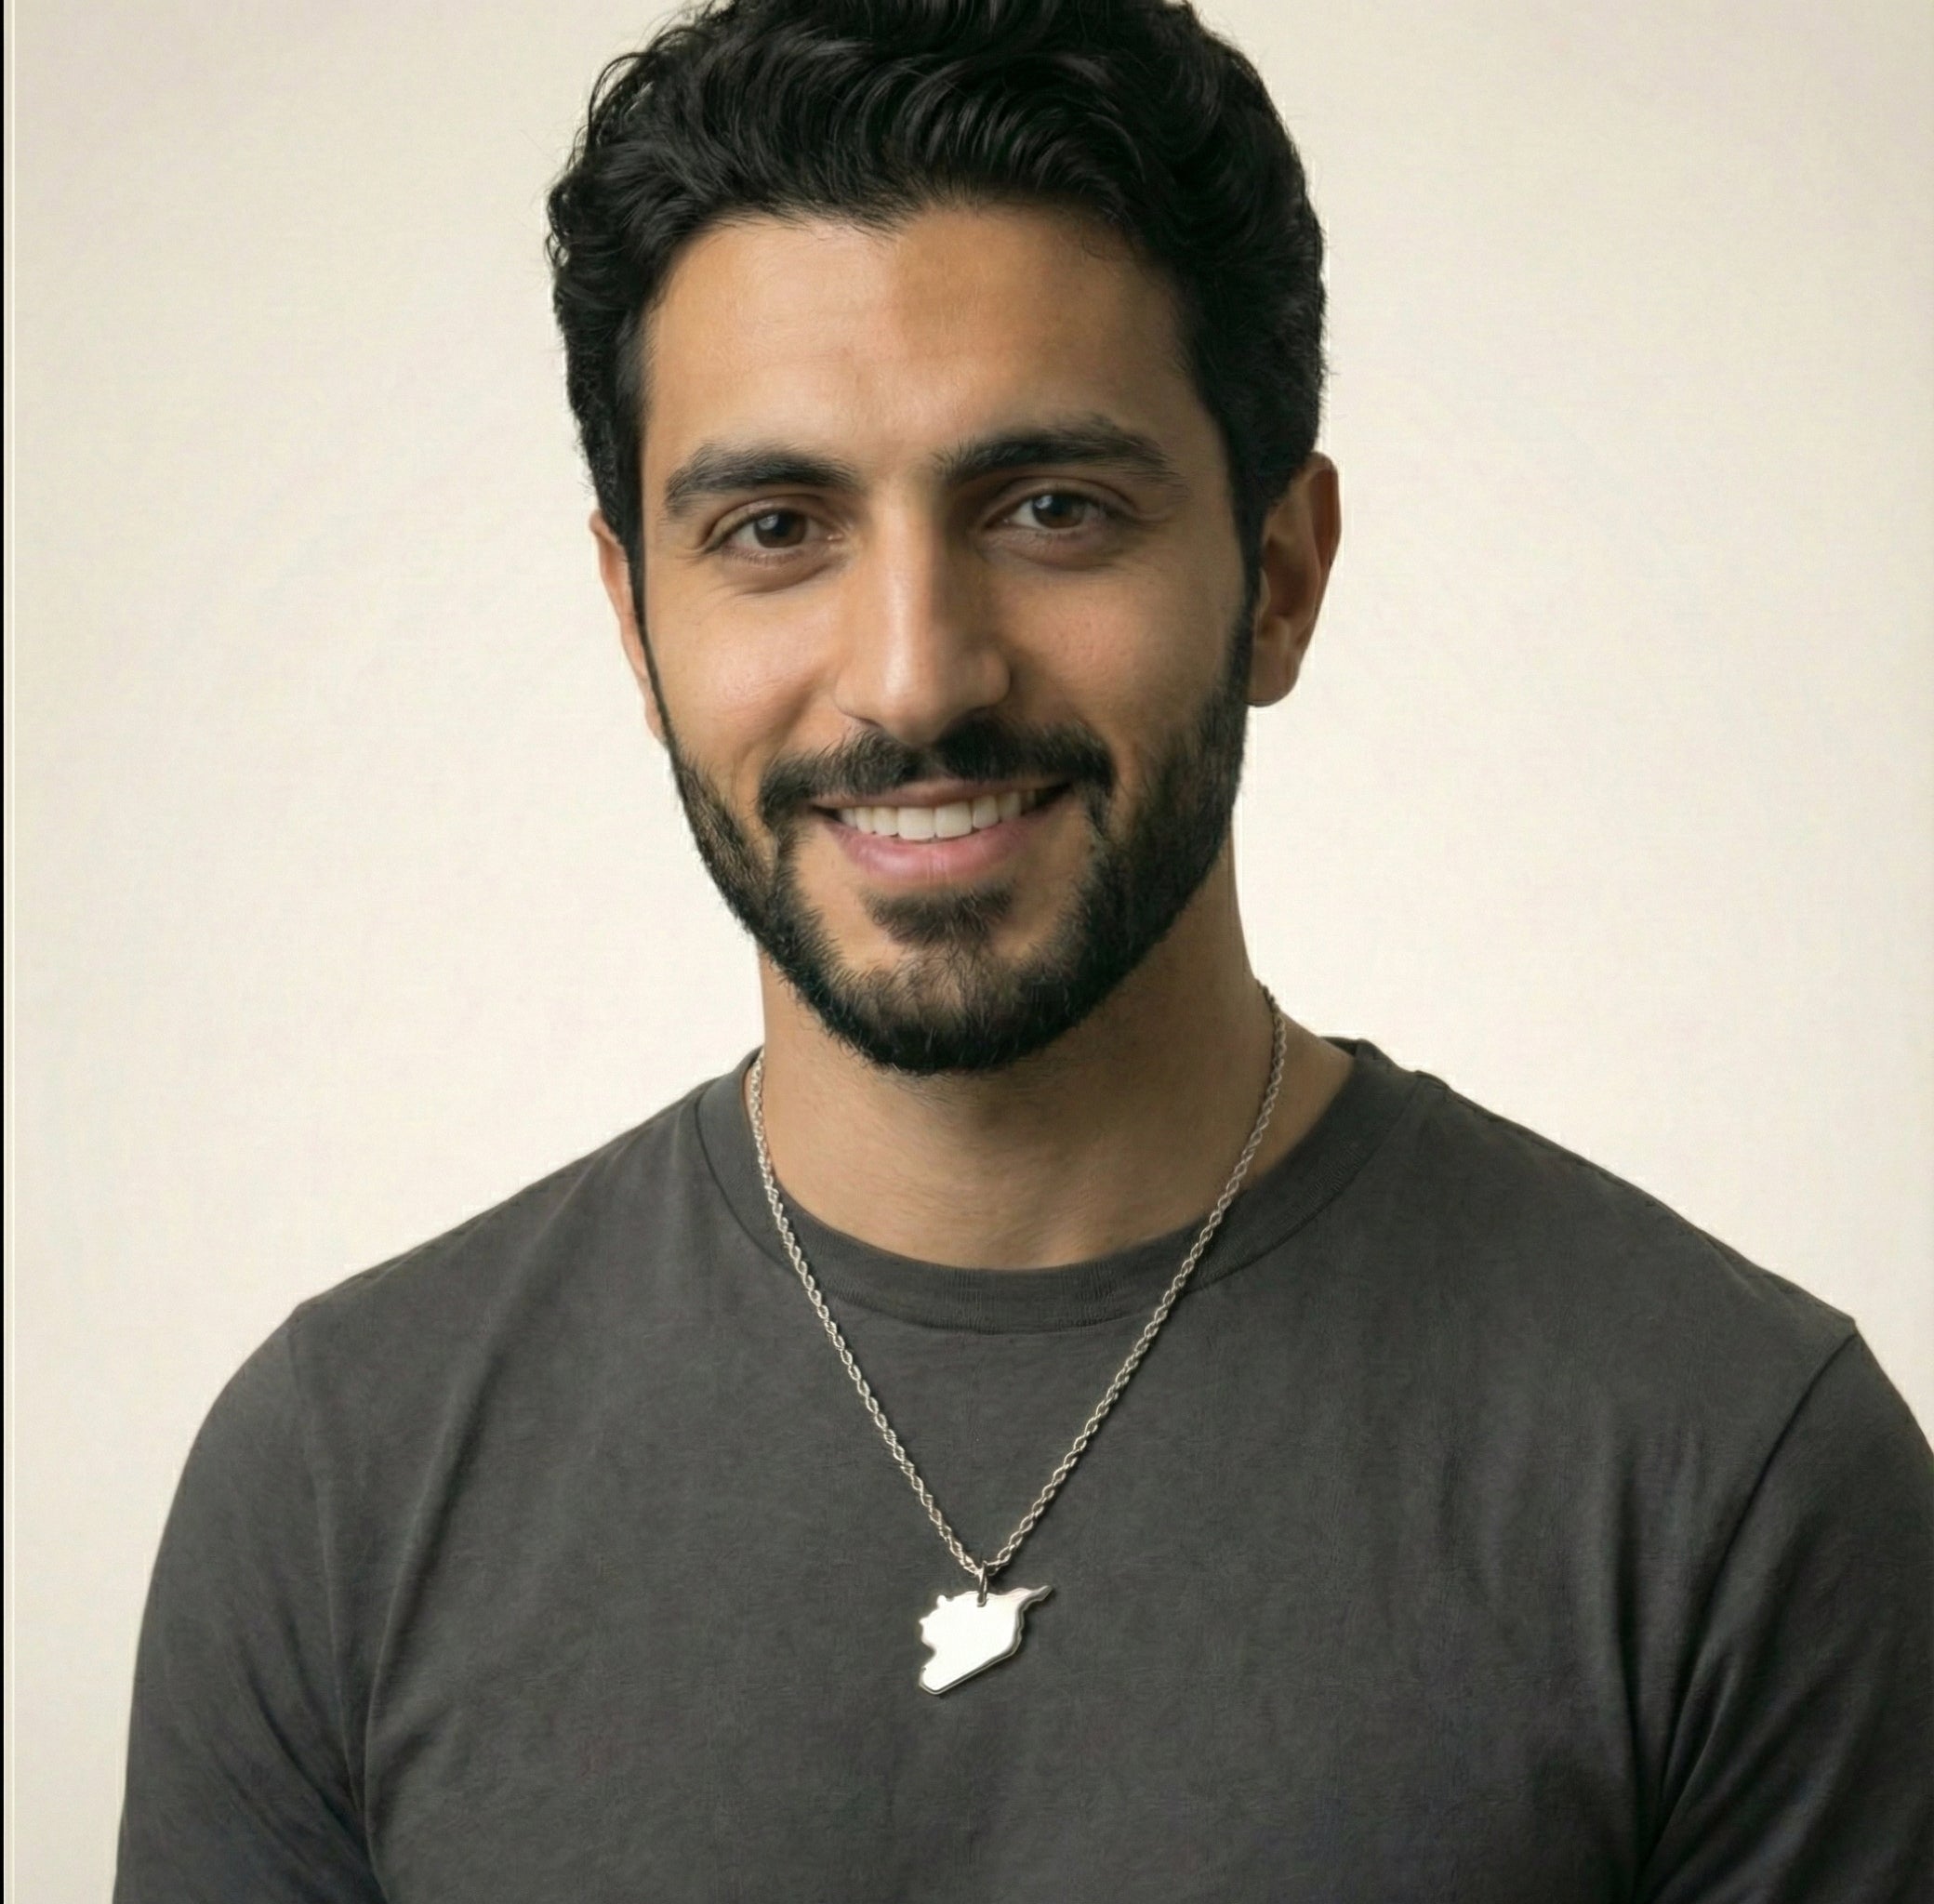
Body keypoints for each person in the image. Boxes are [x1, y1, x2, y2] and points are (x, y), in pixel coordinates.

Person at [114, 0, 1933, 1897]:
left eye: (1052, 509)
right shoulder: (340, 1487)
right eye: (774, 526)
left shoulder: (1727, 1475)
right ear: (635, 621)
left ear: (1278, 579)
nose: (914, 676)